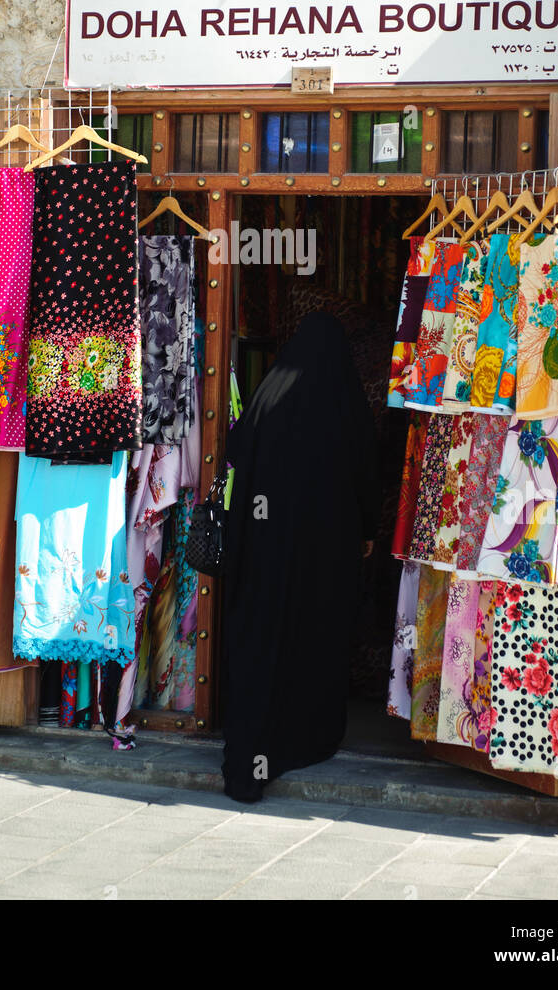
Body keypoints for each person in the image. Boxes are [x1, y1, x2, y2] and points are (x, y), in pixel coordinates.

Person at [220, 311, 378, 803]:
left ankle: (252, 754)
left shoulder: (269, 392)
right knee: (316, 632)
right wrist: (366, 530)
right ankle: (307, 735)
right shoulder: (343, 400)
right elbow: (365, 465)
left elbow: (236, 448)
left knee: (266, 637)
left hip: (265, 548)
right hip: (324, 550)